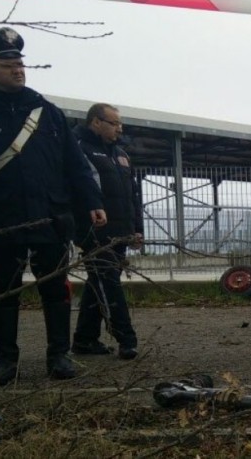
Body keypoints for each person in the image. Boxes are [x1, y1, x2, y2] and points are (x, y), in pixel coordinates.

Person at [0, 27, 107, 386]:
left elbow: (75, 164)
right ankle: (6, 361)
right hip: (1, 217)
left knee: (55, 288)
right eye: (8, 64)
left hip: (51, 216)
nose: (18, 69)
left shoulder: (47, 111)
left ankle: (59, 356)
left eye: (20, 63)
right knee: (2, 291)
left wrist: (93, 202)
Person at [71, 103, 142, 360]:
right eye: (114, 123)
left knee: (98, 283)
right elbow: (78, 189)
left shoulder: (120, 154)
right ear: (96, 122)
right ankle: (126, 337)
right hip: (95, 231)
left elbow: (132, 194)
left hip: (121, 230)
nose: (119, 129)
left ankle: (84, 339)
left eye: (120, 124)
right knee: (108, 282)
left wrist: (135, 228)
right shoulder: (78, 149)